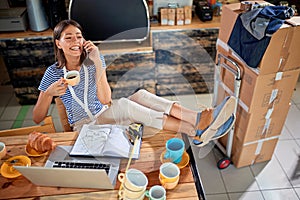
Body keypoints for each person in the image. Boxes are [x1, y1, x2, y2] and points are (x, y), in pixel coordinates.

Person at [33, 19, 236, 147]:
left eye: (78, 36)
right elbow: (37, 118)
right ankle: (196, 127)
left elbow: (105, 99)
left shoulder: (93, 61)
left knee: (140, 95)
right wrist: (49, 93)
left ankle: (196, 123)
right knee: (125, 105)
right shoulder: (53, 72)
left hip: (102, 114)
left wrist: (97, 61)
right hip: (84, 126)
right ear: (58, 43)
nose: (76, 41)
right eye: (68, 38)